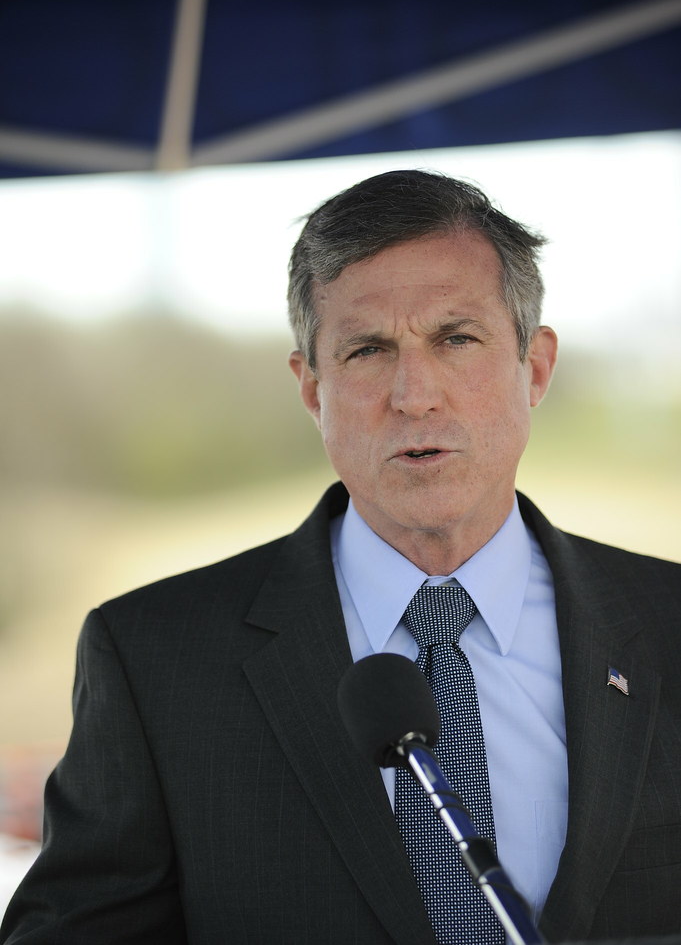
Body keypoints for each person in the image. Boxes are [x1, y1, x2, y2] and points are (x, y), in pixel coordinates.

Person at [2, 170, 680, 945]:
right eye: (367, 349)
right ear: (311, 388)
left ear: (534, 368)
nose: (414, 393)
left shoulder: (667, 622)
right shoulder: (153, 658)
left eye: (455, 338)